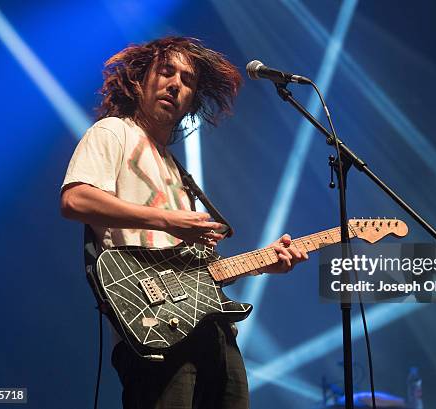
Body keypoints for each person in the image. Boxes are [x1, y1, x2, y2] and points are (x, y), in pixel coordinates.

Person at [60, 36, 307, 409]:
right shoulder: (113, 132)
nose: (176, 84)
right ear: (139, 80)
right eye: (166, 72)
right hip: (152, 324)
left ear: (193, 98)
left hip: (211, 329)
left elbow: (196, 274)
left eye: (188, 80)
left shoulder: (179, 173)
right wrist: (164, 220)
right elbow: (75, 199)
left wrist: (262, 264)